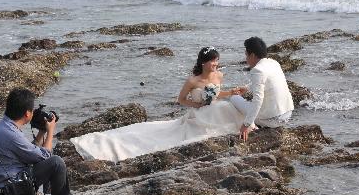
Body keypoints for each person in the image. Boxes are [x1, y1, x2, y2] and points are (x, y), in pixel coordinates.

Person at [70, 47, 246, 163]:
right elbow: (181, 100)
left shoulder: (219, 76)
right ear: (203, 62)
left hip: (213, 108)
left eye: (217, 60)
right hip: (198, 113)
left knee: (225, 106)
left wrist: (230, 93)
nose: (216, 64)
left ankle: (245, 126)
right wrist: (197, 104)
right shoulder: (193, 80)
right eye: (212, 61)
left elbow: (216, 94)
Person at [0, 89, 83, 195]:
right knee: (56, 162)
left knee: (41, 158)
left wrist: (41, 132)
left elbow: (30, 153)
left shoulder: (4, 126)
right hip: (12, 189)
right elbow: (46, 155)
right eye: (33, 110)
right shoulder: (11, 134)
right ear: (27, 113)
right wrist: (50, 132)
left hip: (5, 182)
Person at [229, 37, 294, 141]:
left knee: (233, 98)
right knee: (250, 103)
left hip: (273, 120)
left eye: (246, 55)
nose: (246, 59)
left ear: (253, 55)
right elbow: (269, 83)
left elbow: (258, 100)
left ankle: (253, 126)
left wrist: (246, 125)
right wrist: (247, 88)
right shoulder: (273, 63)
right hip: (287, 114)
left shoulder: (257, 70)